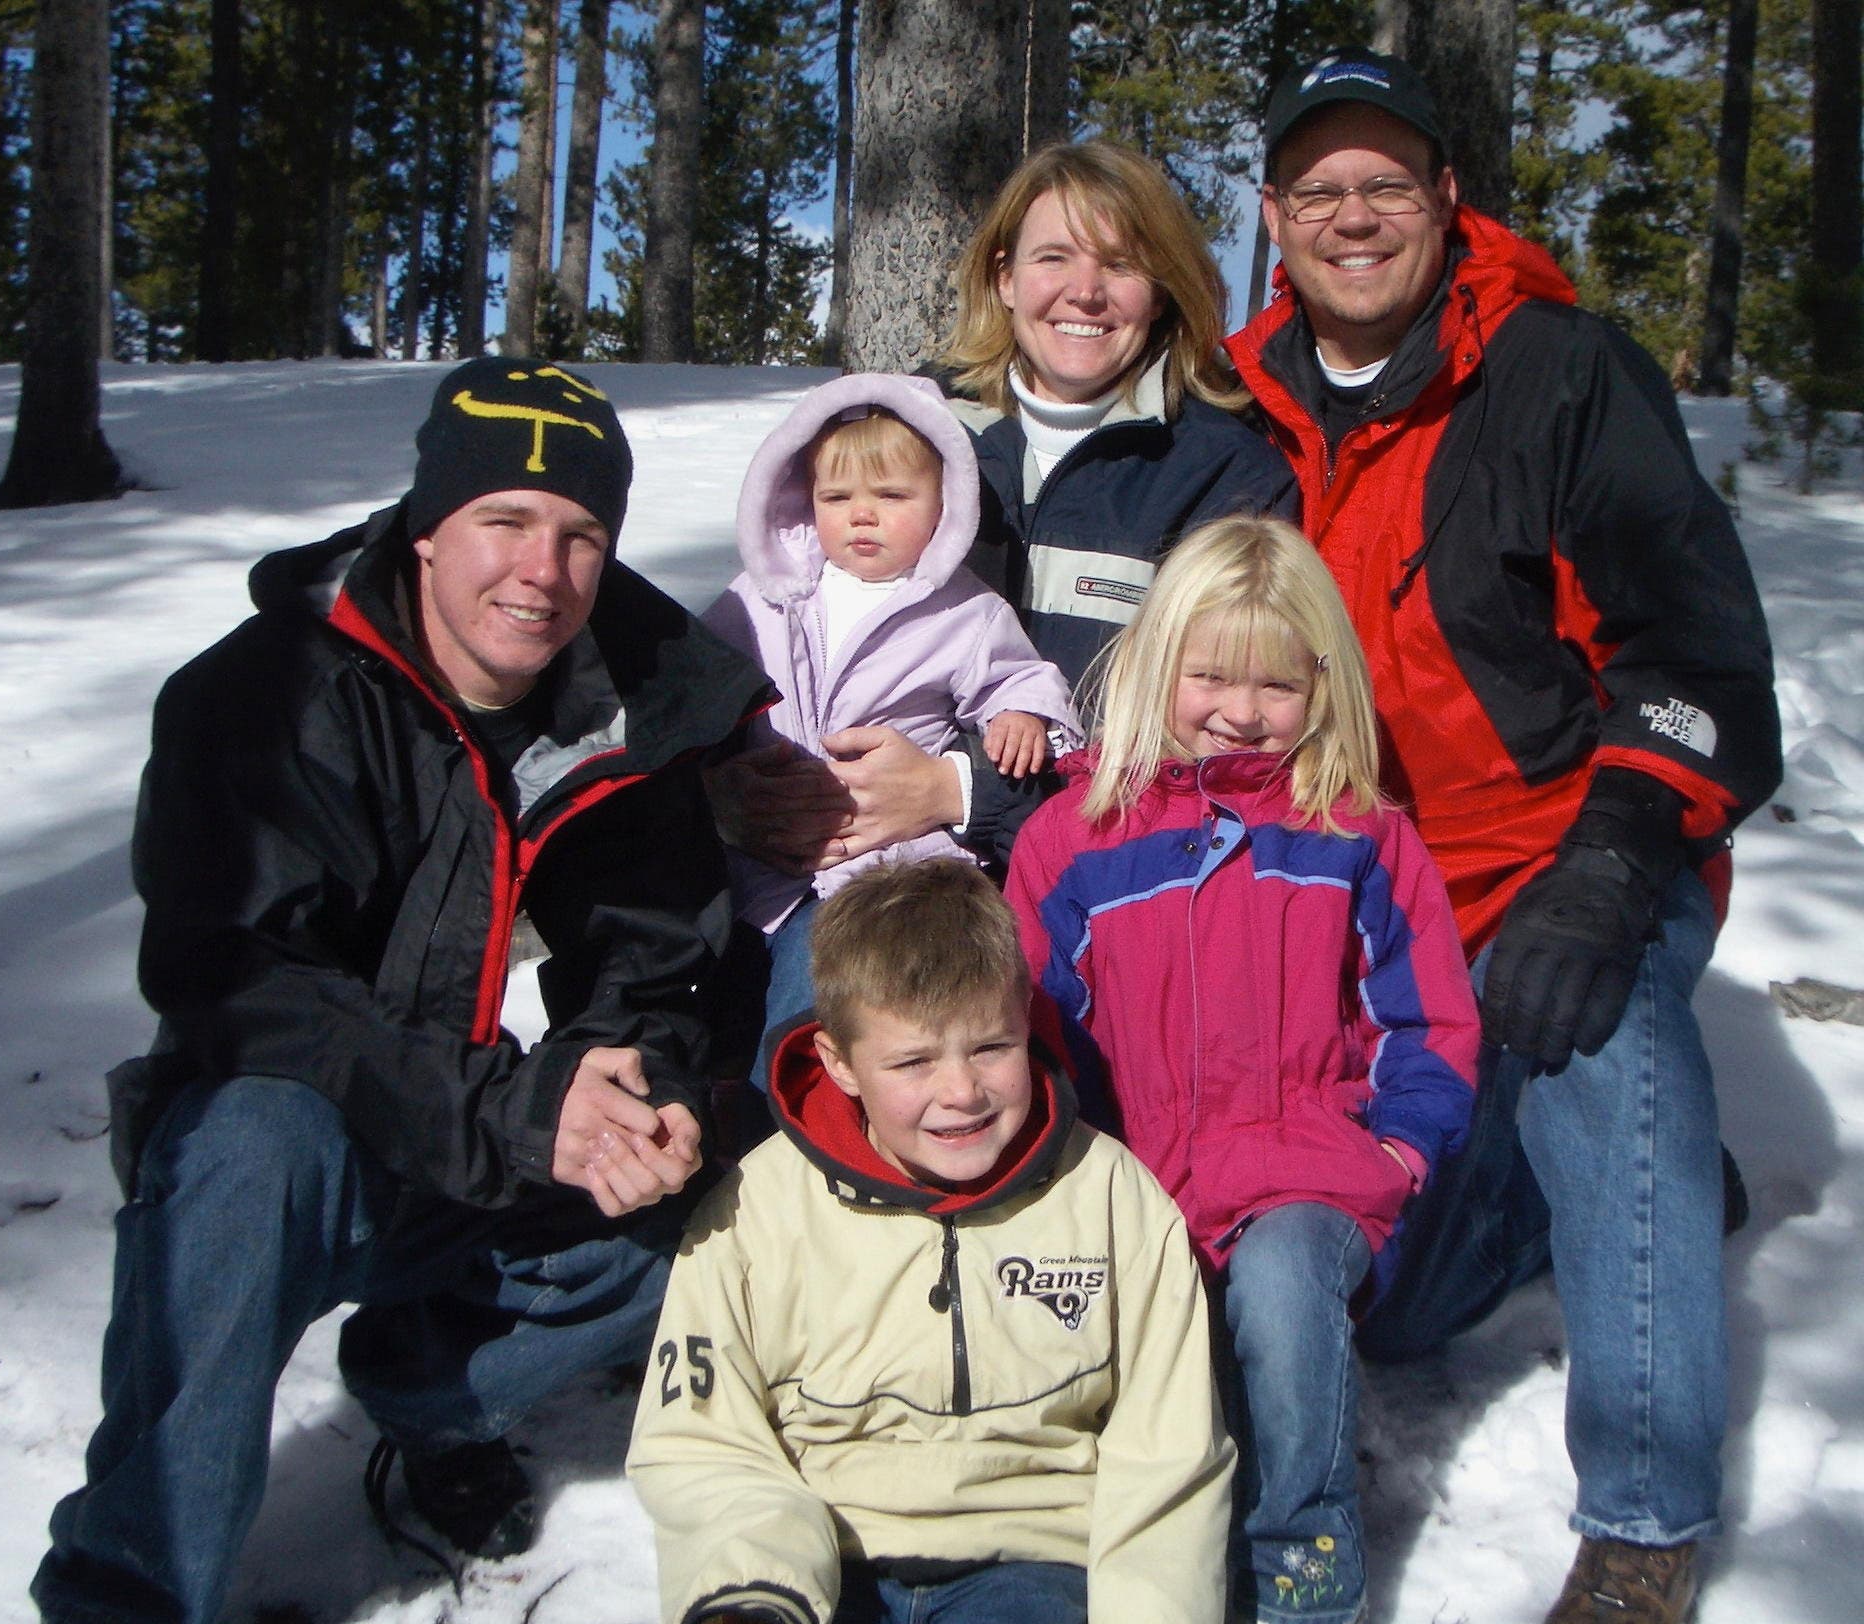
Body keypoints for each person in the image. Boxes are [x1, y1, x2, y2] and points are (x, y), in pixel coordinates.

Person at [33, 357, 773, 1624]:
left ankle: (427, 1388)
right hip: (285, 1156)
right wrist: (515, 1113)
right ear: (428, 528)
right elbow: (238, 987)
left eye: (580, 533)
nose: (541, 571)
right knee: (253, 1139)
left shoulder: (624, 712)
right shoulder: (265, 696)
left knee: (722, 1178)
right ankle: (128, 1589)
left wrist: (628, 1085)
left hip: (465, 1141)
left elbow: (650, 963)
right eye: (504, 520)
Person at [1222, 49, 1783, 1624]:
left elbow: (1706, 665)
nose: (1353, 216)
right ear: (1275, 216)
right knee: (1389, 1313)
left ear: (1446, 198)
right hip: (1361, 897)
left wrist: (1609, 874)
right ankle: (1599, 1196)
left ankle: (1644, 1525)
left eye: (1386, 184)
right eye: (1319, 189)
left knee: (1598, 1041)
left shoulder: (1559, 372)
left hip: (1561, 851)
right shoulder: (1240, 401)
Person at [1005, 516, 1479, 1624]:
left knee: (1277, 1289)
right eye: (1207, 673)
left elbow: (1428, 1023)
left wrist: (1397, 1152)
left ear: (1323, 681)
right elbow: (1033, 1027)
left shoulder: (1357, 833)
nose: (1238, 707)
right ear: (1157, 660)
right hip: (1144, 1186)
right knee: (1146, 1368)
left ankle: (1305, 1559)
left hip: (1310, 1172)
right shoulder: (1074, 839)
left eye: (1274, 683)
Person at [627, 859, 1234, 1624]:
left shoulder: (1113, 1198)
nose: (961, 1092)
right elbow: (701, 1437)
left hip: (1033, 1565)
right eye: (912, 1061)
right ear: (840, 1064)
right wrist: (753, 1587)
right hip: (820, 1558)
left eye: (991, 1048)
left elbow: (1169, 1455)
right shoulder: (756, 1208)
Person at [709, 140, 1296, 881]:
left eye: (1119, 264)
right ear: (1006, 277)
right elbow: (787, 605)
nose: (1085, 292)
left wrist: (957, 789)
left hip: (1109, 878)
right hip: (856, 872)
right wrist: (728, 777)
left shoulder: (1222, 472)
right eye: (1053, 258)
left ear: (1162, 289)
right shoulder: (910, 428)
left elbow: (1224, 734)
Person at [702, 373, 1078, 1087]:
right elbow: (699, 689)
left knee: (805, 1017)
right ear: (801, 500)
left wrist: (1025, 716)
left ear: (944, 507)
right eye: (837, 498)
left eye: (893, 498)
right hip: (758, 871)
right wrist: (712, 776)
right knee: (722, 1012)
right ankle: (736, 1143)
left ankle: (787, 1129)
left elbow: (1022, 680)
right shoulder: (765, 594)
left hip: (883, 879)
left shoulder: (961, 612)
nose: (862, 517)